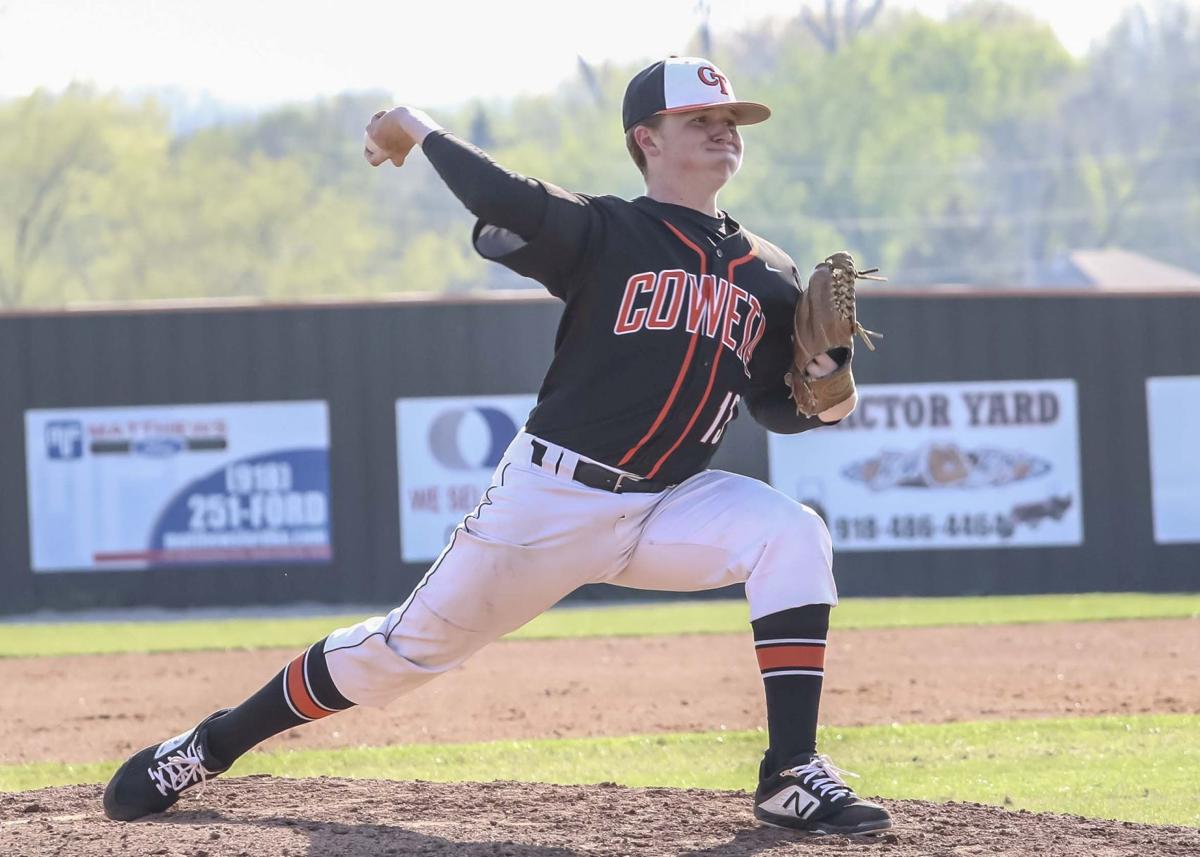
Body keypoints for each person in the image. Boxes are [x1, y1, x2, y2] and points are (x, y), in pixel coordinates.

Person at [103, 56, 891, 836]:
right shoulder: (606, 232)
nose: (724, 131)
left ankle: (791, 771)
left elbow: (776, 408)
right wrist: (415, 125)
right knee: (395, 654)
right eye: (700, 119)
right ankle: (208, 746)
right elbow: (501, 197)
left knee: (793, 533)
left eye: (731, 120)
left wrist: (828, 379)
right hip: (552, 500)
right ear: (646, 139)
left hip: (670, 504)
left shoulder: (771, 273)